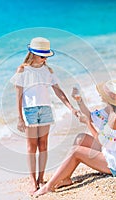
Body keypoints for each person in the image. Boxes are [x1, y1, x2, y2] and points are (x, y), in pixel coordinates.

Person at [34, 80, 116, 197]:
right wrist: (79, 101)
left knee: (76, 151)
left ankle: (49, 187)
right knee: (80, 138)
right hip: (114, 153)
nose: (100, 94)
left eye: (103, 93)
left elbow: (102, 141)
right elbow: (90, 116)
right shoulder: (111, 111)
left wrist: (87, 123)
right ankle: (65, 178)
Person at [10, 37, 78, 194]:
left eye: (46, 56)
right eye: (42, 56)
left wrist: (71, 108)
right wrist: (20, 118)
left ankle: (41, 179)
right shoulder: (22, 71)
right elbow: (18, 95)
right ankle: (33, 182)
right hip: (30, 112)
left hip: (46, 110)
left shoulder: (48, 71)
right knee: (31, 148)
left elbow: (58, 90)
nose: (45, 59)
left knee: (43, 146)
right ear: (33, 54)